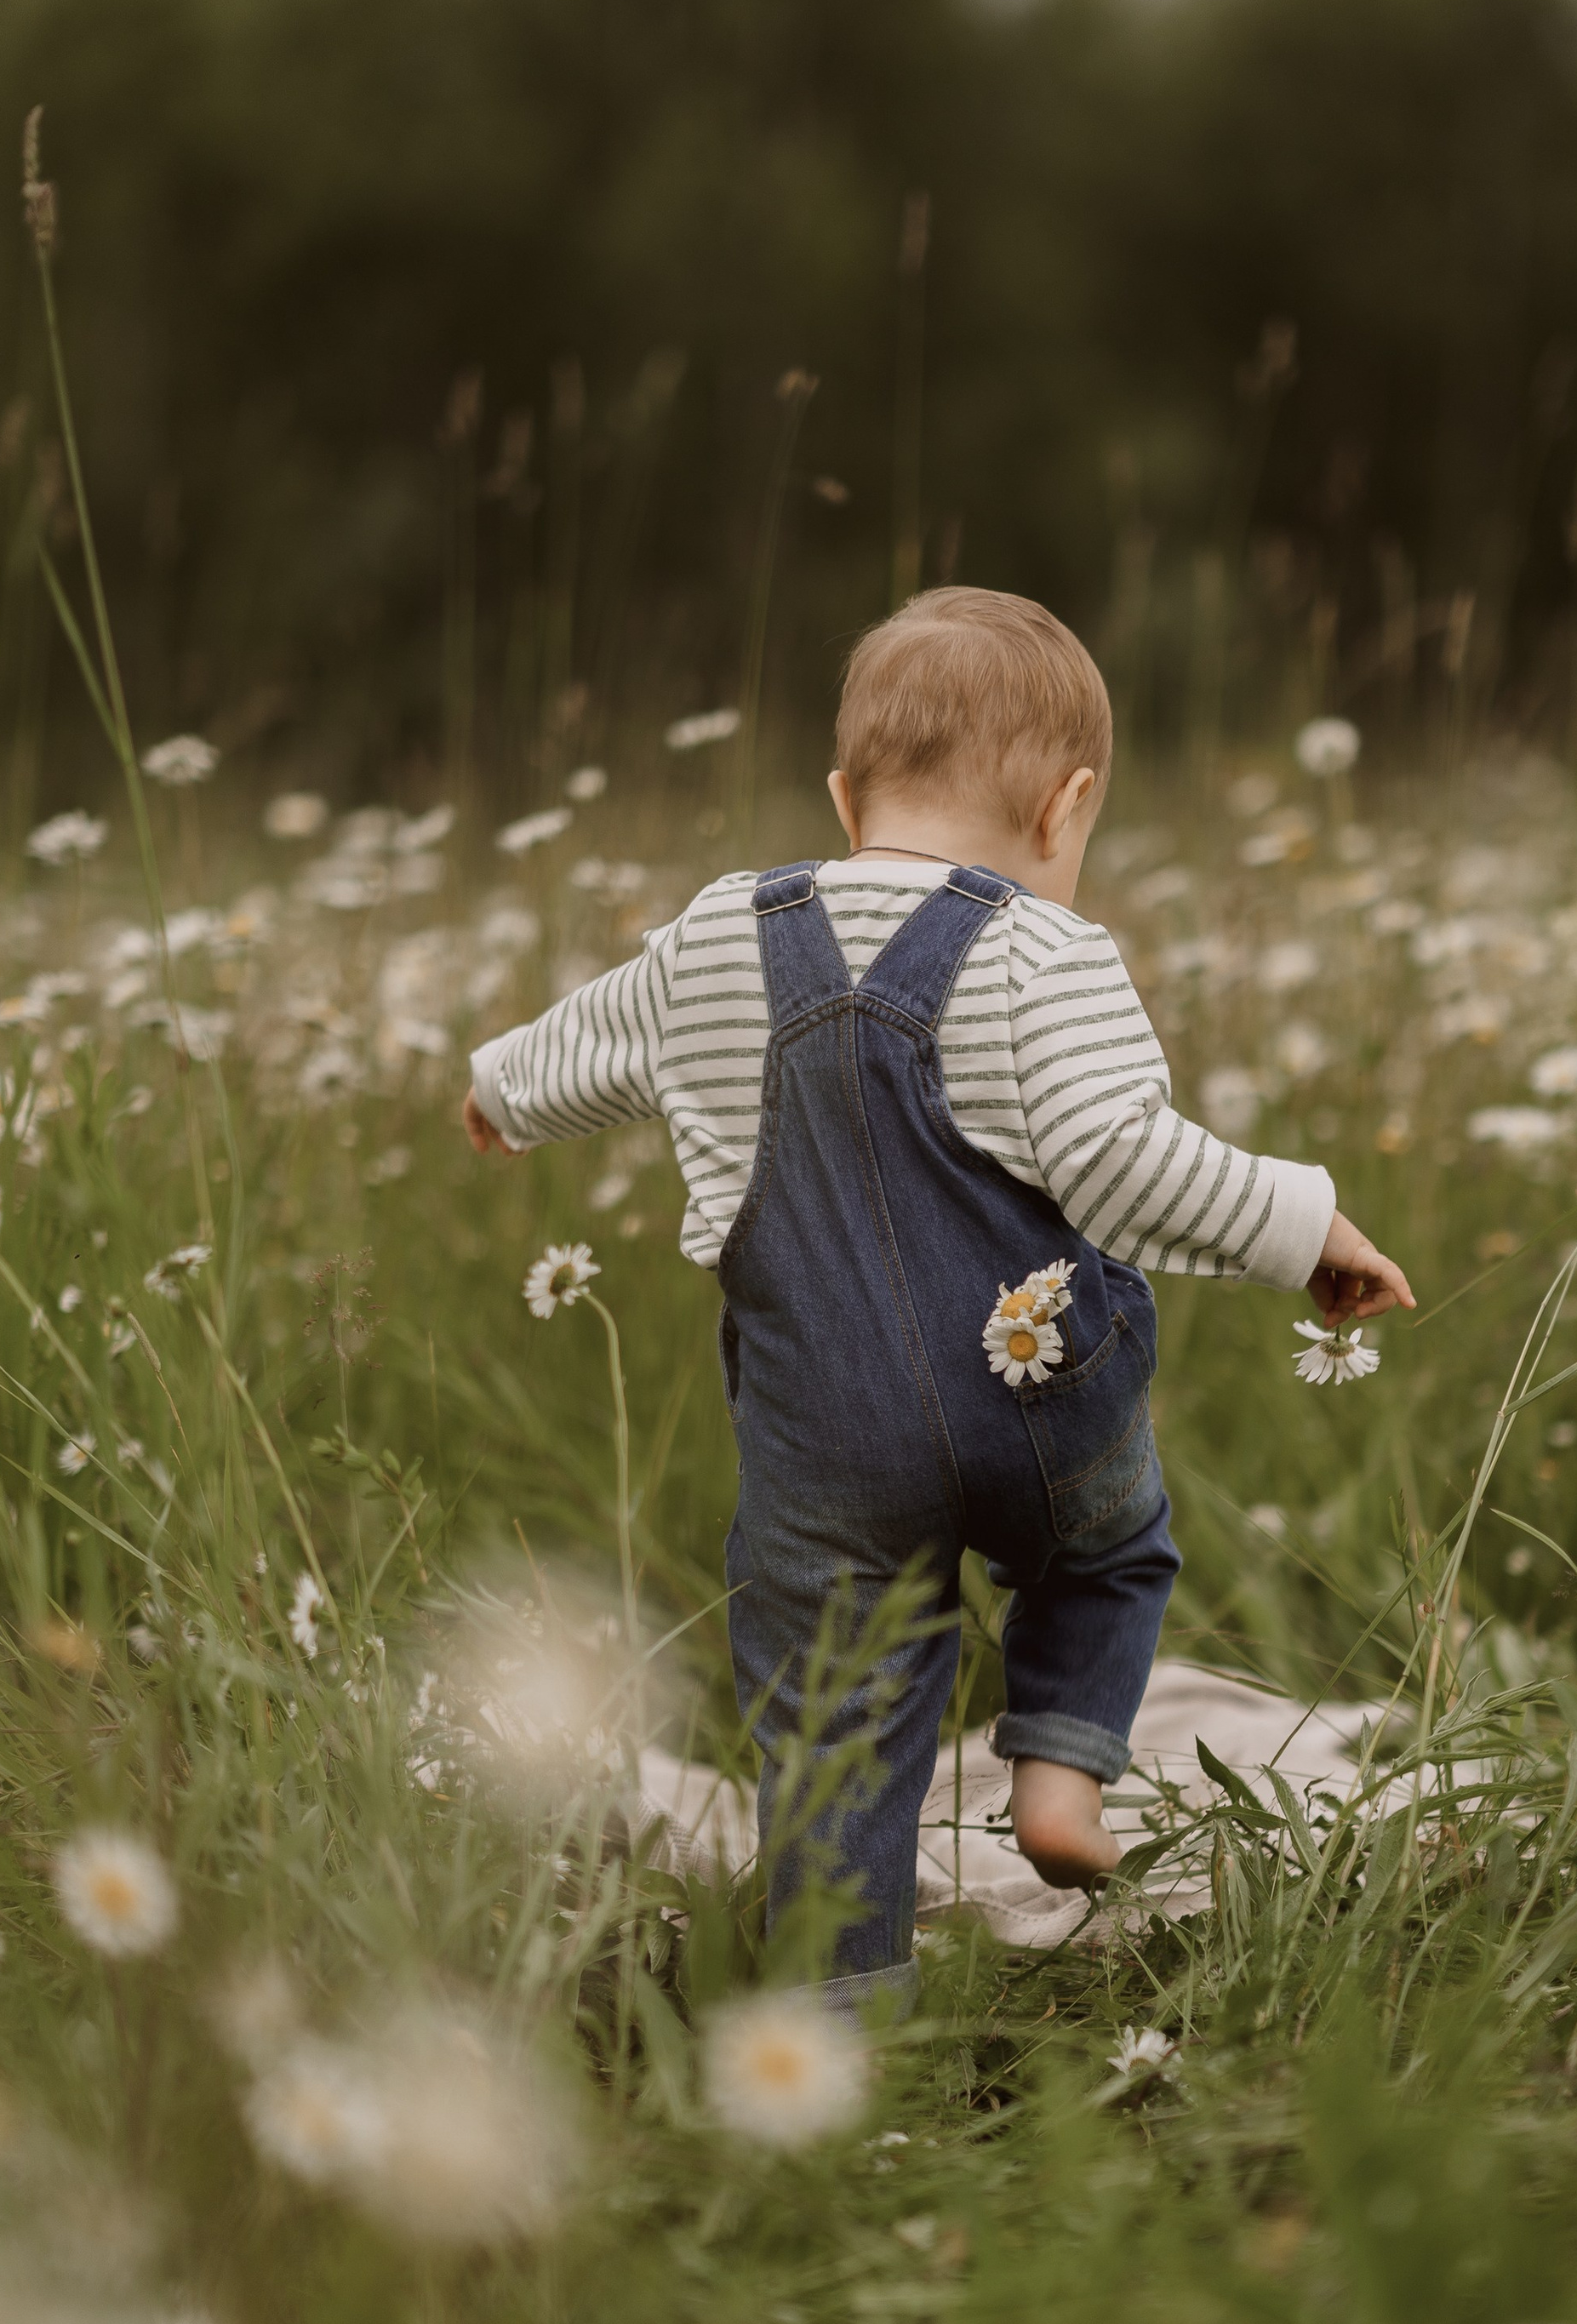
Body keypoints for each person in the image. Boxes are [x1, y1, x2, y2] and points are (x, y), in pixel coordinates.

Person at [464, 586, 1414, 2004]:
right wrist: (1306, 1224)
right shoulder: (1051, 953)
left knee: (836, 1701)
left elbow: (588, 1045)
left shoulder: (725, 931)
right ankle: (1060, 1777)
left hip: (823, 1442)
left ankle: (838, 2000)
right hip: (1034, 1403)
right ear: (1068, 805)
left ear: (846, 798)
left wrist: (500, 1091)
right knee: (1108, 1554)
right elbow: (1124, 1163)